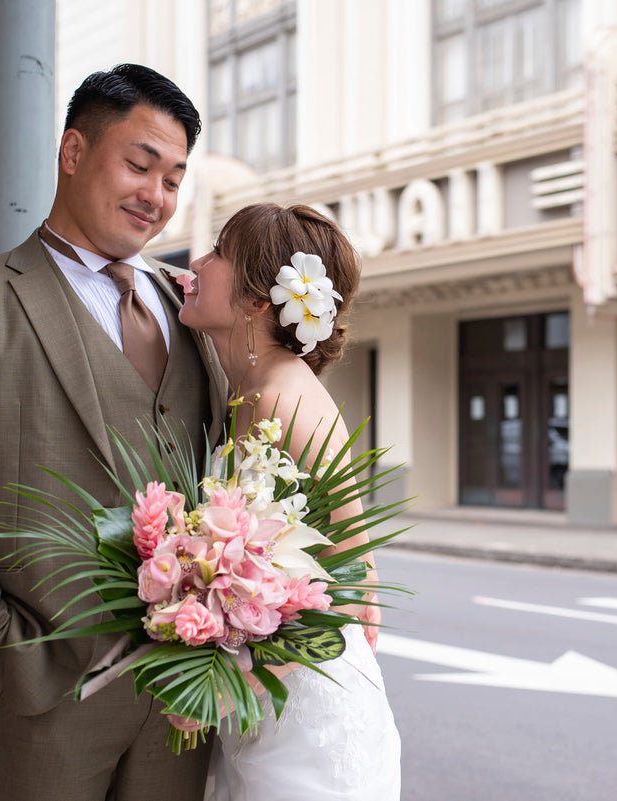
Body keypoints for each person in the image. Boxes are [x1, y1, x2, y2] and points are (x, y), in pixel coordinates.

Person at [0, 64, 227, 801]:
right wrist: (1, 656)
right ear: (73, 153)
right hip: (42, 697)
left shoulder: (190, 306)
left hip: (182, 694)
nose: (157, 196)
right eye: (139, 165)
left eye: (174, 179)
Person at [178, 202, 401, 800]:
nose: (197, 261)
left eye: (219, 253)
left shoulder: (279, 400)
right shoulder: (256, 391)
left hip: (302, 715)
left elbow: (348, 578)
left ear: (257, 301)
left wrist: (223, 691)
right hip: (278, 702)